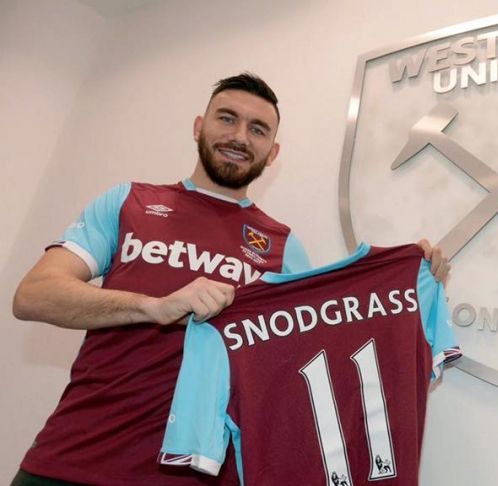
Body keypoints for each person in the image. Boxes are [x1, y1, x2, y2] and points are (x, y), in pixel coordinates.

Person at [11, 73, 449, 486]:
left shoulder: (283, 247)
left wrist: (411, 291)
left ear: (273, 152)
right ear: (199, 127)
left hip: (200, 475)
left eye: (258, 129)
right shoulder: (130, 202)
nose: (240, 136)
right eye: (227, 118)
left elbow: (325, 361)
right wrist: (153, 307)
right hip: (73, 459)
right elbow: (33, 295)